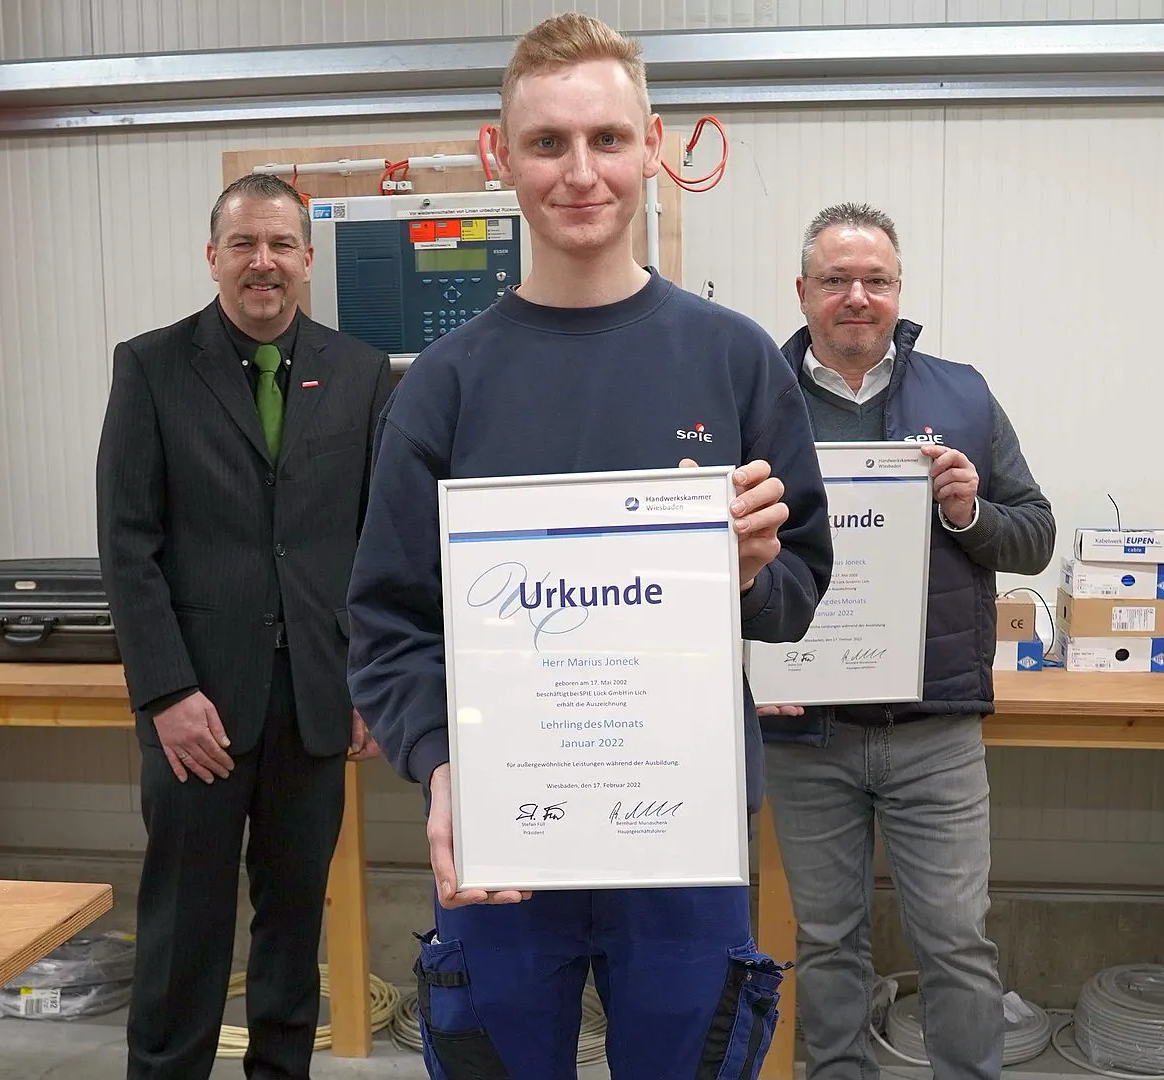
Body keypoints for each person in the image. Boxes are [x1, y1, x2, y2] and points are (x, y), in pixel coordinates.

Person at [343, 13, 832, 1080]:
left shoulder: (737, 363)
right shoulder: (443, 386)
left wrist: (747, 576)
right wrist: (437, 765)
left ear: (652, 145)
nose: (581, 173)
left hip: (683, 835)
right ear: (498, 156)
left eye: (608, 139)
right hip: (503, 835)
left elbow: (803, 588)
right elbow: (385, 626)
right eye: (548, 143)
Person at [95, 171, 394, 1080]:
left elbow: (379, 544)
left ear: (307, 258)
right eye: (243, 245)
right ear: (212, 256)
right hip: (199, 710)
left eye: (279, 246)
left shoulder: (360, 373)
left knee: (292, 925)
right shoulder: (150, 366)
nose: (262, 263)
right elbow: (127, 542)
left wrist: (365, 686)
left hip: (314, 700)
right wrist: (165, 693)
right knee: (185, 928)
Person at [759, 202, 1057, 1080]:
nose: (858, 296)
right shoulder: (756, 397)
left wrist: (968, 512)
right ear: (803, 291)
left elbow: (1035, 534)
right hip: (804, 730)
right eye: (837, 280)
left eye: (876, 280)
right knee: (825, 941)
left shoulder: (961, 395)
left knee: (958, 942)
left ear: (898, 291)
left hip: (935, 729)